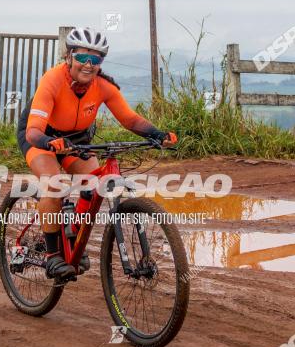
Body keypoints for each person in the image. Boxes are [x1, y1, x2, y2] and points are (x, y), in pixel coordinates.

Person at [16, 26, 177, 279]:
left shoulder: (103, 86)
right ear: (69, 57)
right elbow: (33, 131)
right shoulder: (52, 80)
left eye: (96, 59)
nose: (88, 65)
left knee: (94, 181)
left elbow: (130, 119)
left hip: (77, 139)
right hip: (41, 136)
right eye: (82, 57)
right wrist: (50, 142)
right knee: (54, 184)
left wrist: (158, 135)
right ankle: (52, 255)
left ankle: (73, 234)